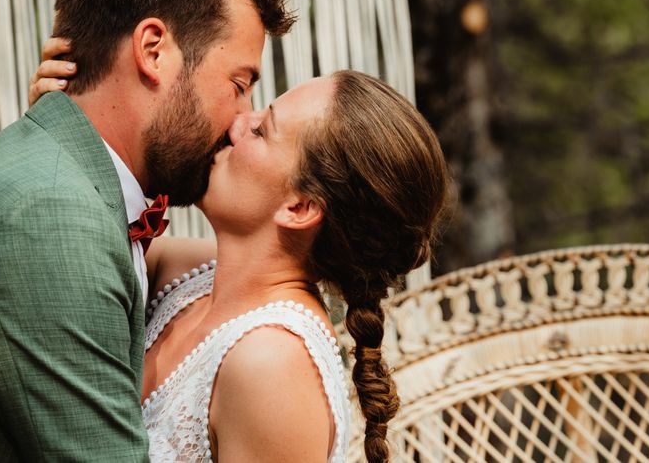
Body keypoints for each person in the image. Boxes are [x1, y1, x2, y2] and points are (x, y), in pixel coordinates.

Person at [0, 0, 293, 460]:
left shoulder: (68, 185)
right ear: (154, 50)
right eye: (239, 85)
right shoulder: (53, 215)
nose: (239, 120)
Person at [32, 63, 450, 461]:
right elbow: (81, 235)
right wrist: (71, 127)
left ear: (300, 207)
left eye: (263, 130)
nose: (237, 123)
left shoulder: (273, 366)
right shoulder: (188, 279)